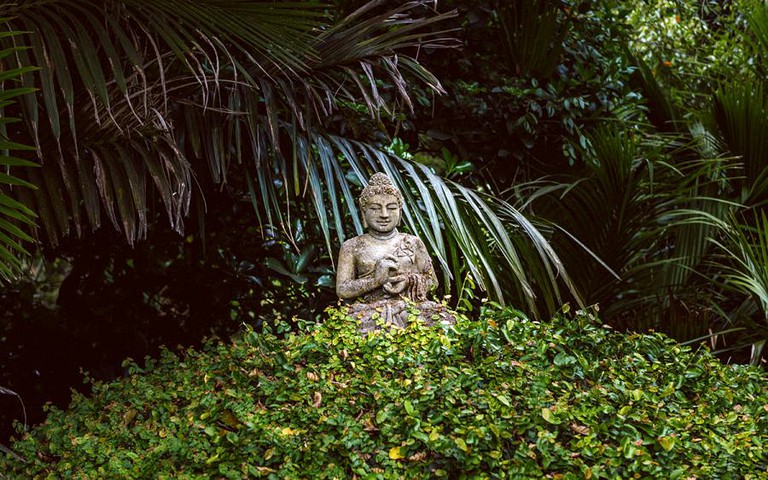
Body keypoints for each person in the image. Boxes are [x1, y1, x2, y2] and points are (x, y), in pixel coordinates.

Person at [336, 173, 454, 332]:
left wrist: (407, 282)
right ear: (363, 212)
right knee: (353, 324)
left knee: (443, 319)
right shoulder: (352, 246)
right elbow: (343, 289)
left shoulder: (412, 242)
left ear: (400, 212)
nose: (384, 214)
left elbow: (432, 281)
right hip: (369, 311)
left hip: (409, 307)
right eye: (375, 208)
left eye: (391, 208)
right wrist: (376, 281)